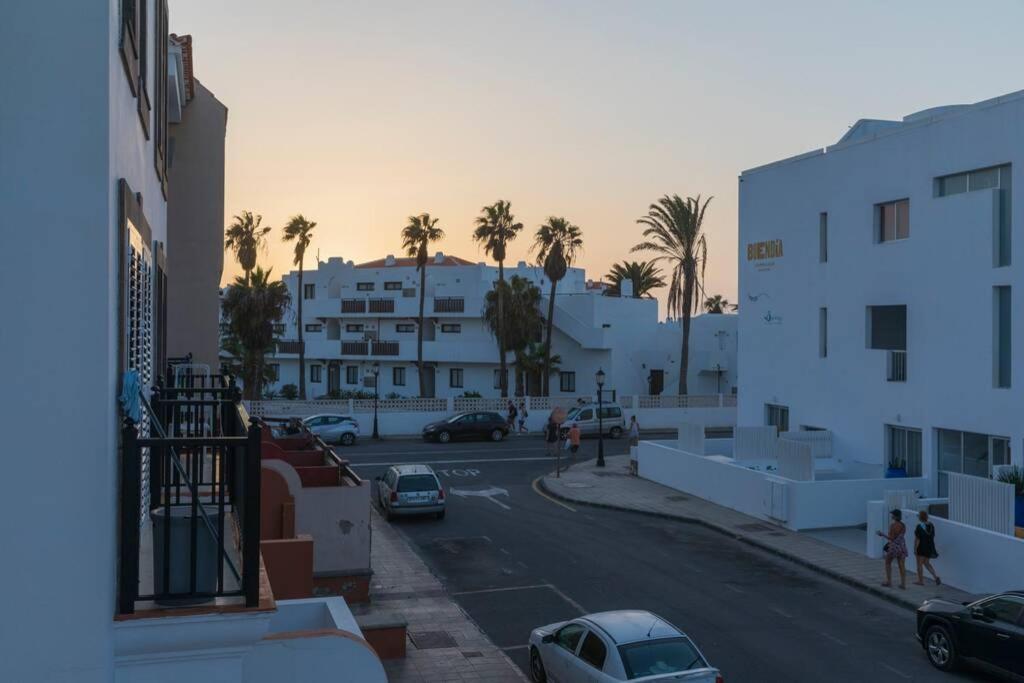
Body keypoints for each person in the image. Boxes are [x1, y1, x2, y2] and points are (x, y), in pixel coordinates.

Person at [876, 509, 908, 589]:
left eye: (893, 514)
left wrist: (882, 534)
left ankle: (889, 581)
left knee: (887, 563)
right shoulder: (903, 525)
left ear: (896, 516)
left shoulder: (893, 526)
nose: (891, 515)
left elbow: (891, 538)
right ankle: (903, 584)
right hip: (902, 546)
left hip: (894, 547)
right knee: (901, 565)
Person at [913, 510, 941, 586]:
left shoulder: (919, 526)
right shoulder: (931, 525)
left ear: (920, 517)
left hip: (921, 547)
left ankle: (920, 581)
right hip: (930, 547)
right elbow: (933, 536)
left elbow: (917, 539)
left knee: (919, 564)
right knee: (926, 563)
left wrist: (915, 549)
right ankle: (935, 577)